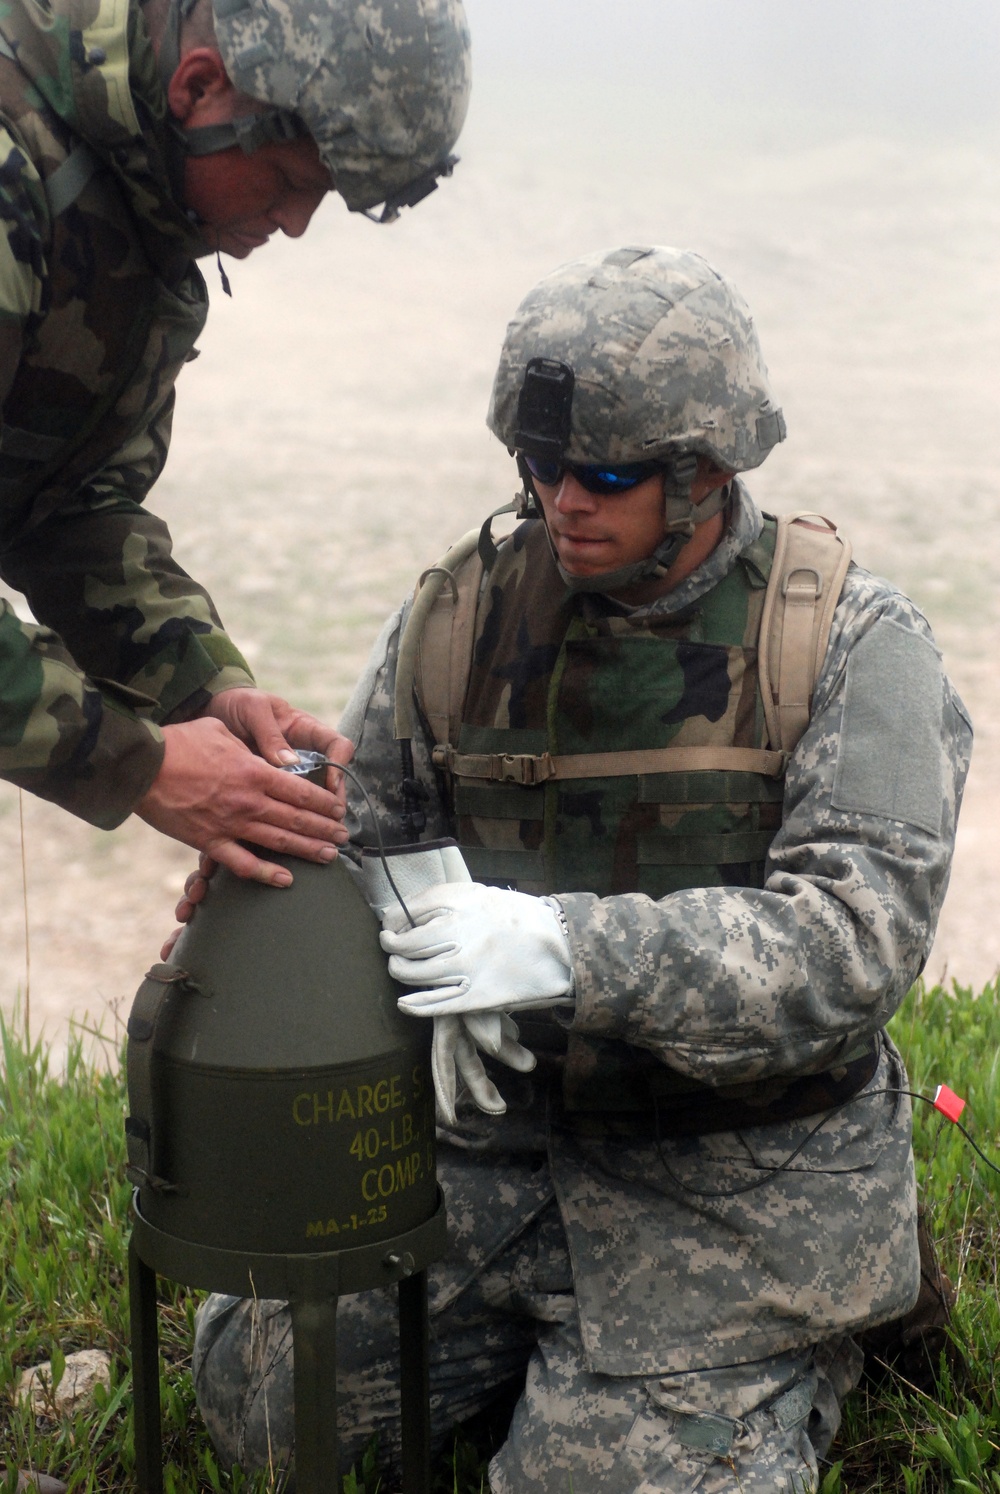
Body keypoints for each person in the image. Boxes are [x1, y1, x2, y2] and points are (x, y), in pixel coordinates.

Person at [189, 246, 972, 1492]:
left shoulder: (847, 644)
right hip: (501, 1152)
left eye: (604, 475)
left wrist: (564, 949)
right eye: (538, 468)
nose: (563, 503)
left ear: (707, 471)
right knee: (266, 1409)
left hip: (734, 1190)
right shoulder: (461, 616)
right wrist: (325, 897)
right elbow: (370, 831)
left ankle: (800, 1362)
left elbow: (851, 942)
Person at [0, 0, 471, 893]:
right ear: (199, 85)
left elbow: (70, 511)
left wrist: (201, 690)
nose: (292, 224)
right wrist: (137, 761)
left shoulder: (135, 203)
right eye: (288, 180)